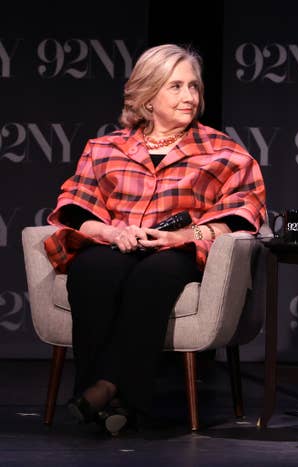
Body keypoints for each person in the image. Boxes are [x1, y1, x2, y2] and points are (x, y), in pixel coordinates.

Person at [43, 44, 267, 435]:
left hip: (178, 250)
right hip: (118, 241)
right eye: (176, 86)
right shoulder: (105, 148)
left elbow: (242, 213)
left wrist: (181, 235)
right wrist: (114, 231)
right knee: (92, 270)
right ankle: (116, 402)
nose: (189, 97)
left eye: (194, 87)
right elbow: (75, 206)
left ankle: (102, 390)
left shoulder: (225, 153)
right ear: (148, 97)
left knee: (154, 276)